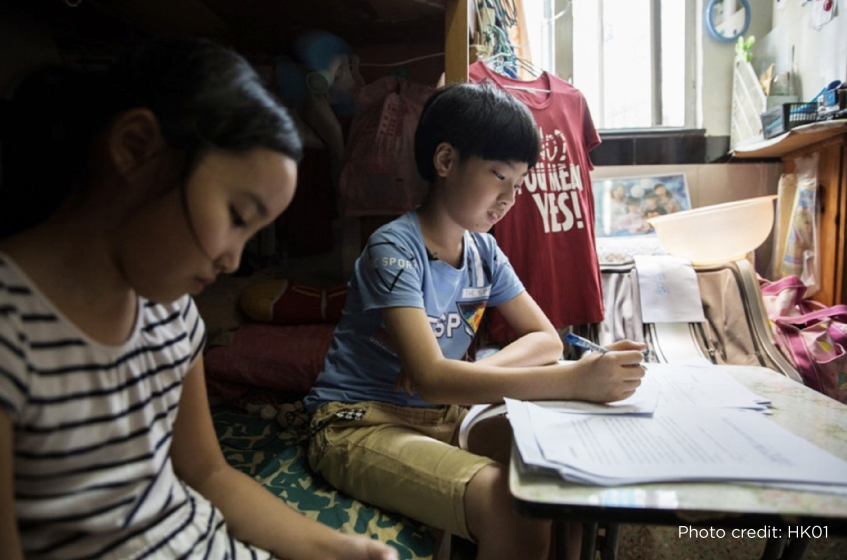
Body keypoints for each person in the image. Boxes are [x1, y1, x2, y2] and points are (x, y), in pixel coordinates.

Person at [0, 38, 398, 560]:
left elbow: (208, 473)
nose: (233, 261)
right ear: (136, 147)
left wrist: (337, 549)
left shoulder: (171, 315)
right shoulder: (13, 333)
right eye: (236, 217)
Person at [302, 82, 646, 560]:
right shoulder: (394, 249)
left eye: (519, 183)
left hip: (441, 412)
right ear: (445, 162)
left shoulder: (483, 251)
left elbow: (545, 340)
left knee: (569, 482)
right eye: (498, 175)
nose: (510, 197)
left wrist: (453, 379)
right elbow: (436, 378)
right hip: (358, 423)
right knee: (512, 506)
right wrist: (574, 381)